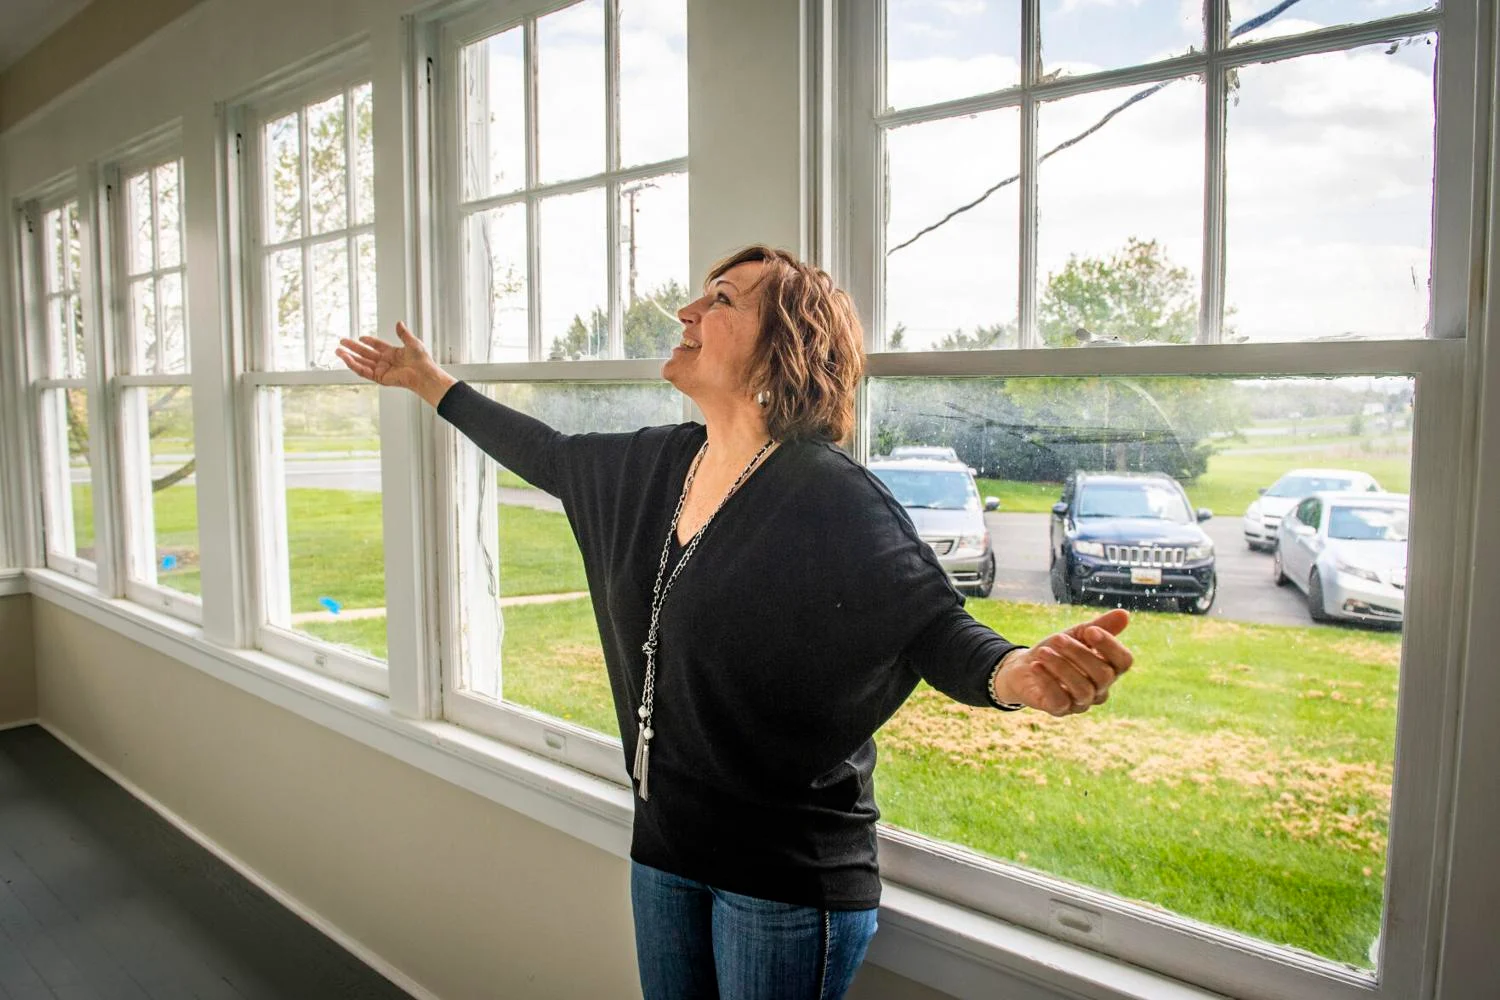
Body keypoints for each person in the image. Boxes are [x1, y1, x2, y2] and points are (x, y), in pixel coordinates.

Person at [337, 245, 1134, 1000]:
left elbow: (934, 628)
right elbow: (543, 451)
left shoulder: (829, 495)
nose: (686, 311)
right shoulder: (656, 467)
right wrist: (431, 383)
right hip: (663, 852)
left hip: (785, 880)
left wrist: (1019, 674)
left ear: (784, 348)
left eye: (720, 301)